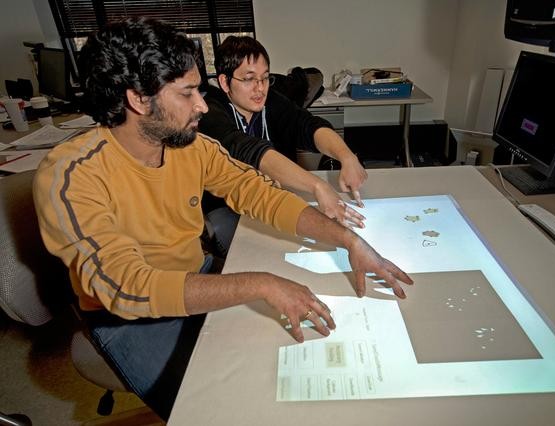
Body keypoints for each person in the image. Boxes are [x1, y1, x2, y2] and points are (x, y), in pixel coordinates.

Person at [32, 18, 413, 420]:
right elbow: (127, 287)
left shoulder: (189, 146)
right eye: (187, 93)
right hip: (128, 318)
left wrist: (349, 240)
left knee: (278, 373)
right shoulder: (71, 175)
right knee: (217, 410)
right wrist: (261, 283)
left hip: (196, 275)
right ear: (139, 99)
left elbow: (258, 192)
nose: (201, 105)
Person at [199, 36, 367, 254]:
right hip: (227, 208)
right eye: (249, 79)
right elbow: (249, 151)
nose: (260, 88)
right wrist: (318, 186)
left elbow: (307, 125)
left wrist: (346, 156)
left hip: (276, 199)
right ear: (224, 82)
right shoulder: (210, 114)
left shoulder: (271, 102)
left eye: (265, 78)